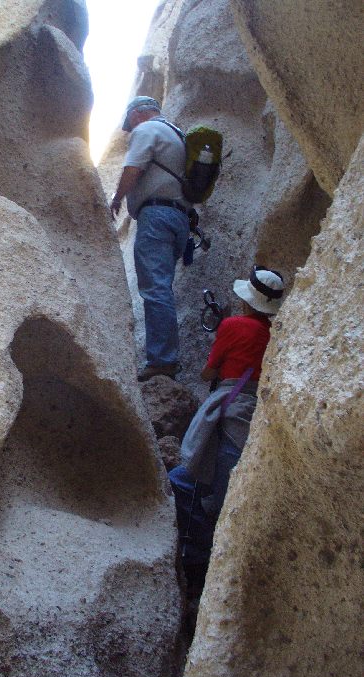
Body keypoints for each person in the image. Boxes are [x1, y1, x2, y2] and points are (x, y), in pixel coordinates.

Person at [168, 266, 285, 596]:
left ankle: (198, 560)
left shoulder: (233, 325)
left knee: (185, 482)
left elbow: (207, 374)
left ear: (247, 300)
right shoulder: (277, 335)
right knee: (225, 496)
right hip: (256, 416)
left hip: (228, 412)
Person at [110, 96, 192, 382]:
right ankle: (165, 357)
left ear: (136, 116)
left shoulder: (146, 131)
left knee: (155, 288)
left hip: (156, 216)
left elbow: (133, 168)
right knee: (162, 287)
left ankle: (162, 361)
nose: (129, 130)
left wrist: (116, 199)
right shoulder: (175, 133)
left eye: (129, 123)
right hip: (179, 219)